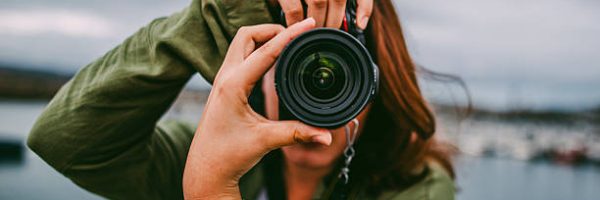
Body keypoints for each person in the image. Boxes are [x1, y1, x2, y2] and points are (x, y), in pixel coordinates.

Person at [27, 0, 456, 199]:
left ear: (376, 91)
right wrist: (217, 13)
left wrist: (211, 191)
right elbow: (66, 141)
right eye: (295, 72)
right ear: (257, 76)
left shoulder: (416, 188)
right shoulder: (201, 155)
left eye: (343, 80)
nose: (315, 109)